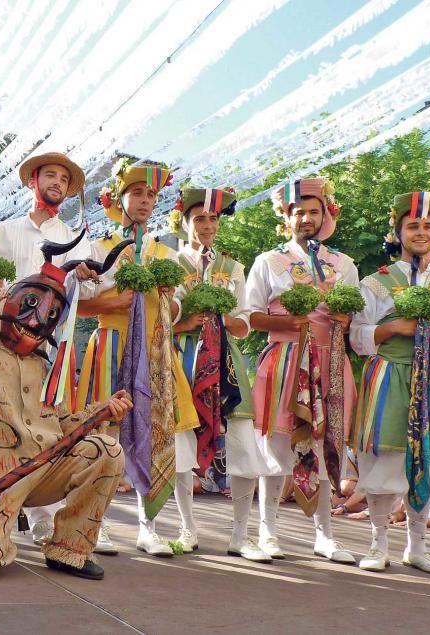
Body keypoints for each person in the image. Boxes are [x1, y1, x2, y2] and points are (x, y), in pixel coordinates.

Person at [0, 243, 132, 580]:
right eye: (32, 305)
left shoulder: (47, 365)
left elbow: (63, 424)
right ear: (12, 301)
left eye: (50, 315)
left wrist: (103, 412)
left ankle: (69, 548)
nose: (36, 322)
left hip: (46, 466)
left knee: (107, 451)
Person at [76, 159, 199, 557]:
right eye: (137, 193)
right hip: (111, 345)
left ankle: (148, 527)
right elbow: (80, 304)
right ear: (120, 197)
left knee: (159, 432)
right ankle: (98, 523)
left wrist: (167, 300)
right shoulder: (99, 247)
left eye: (151, 195)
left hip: (156, 350)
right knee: (105, 433)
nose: (145, 201)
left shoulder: (166, 250)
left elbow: (180, 311)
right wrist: (116, 299)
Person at [350, 191, 430, 575]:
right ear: (399, 231)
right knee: (384, 462)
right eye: (413, 226)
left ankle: (417, 547)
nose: (421, 232)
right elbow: (357, 337)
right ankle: (377, 543)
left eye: (427, 225)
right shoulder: (375, 282)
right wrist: (394, 328)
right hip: (389, 375)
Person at [244, 177, 357, 563]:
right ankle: (268, 532)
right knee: (276, 449)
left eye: (313, 211)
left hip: (331, 362)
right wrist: (286, 323)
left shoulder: (344, 264)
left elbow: (357, 325)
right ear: (286, 217)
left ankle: (325, 536)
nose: (306, 218)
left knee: (328, 447)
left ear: (326, 214)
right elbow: (248, 317)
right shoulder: (269, 261)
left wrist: (345, 318)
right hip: (285, 361)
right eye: (298, 212)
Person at [0, 151, 97, 548]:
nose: (56, 183)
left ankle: (40, 519)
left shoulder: (78, 239)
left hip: (48, 348)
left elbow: (93, 290)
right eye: (49, 175)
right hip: (0, 342)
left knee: (41, 426)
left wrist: (84, 274)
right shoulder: (3, 231)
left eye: (64, 180)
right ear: (33, 181)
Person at [168, 187, 270, 561]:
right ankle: (187, 528)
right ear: (184, 222)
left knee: (244, 444)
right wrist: (185, 323)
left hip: (227, 360)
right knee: (181, 447)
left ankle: (241, 535)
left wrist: (220, 319)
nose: (208, 225)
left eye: (213, 219)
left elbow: (244, 324)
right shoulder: (171, 261)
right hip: (184, 357)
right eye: (199, 219)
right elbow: (163, 317)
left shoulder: (234, 267)